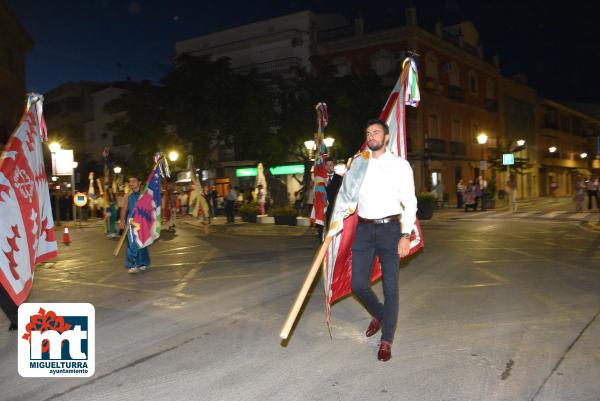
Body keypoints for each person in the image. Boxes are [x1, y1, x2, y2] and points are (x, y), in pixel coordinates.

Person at [349, 119, 417, 362]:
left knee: (391, 288)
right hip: (364, 231)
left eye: (376, 132)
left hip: (390, 230)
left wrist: (406, 234)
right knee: (357, 284)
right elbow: (348, 191)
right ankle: (380, 314)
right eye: (368, 133)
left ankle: (386, 340)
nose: (371, 136)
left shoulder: (399, 166)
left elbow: (410, 201)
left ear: (386, 137)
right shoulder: (359, 164)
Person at [119, 176, 150, 274]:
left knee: (142, 242)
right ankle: (132, 265)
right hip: (132, 222)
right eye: (130, 181)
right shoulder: (127, 195)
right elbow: (124, 209)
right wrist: (122, 220)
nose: (131, 183)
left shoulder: (144, 195)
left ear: (139, 182)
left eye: (134, 181)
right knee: (132, 243)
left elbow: (149, 209)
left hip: (142, 222)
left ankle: (143, 263)